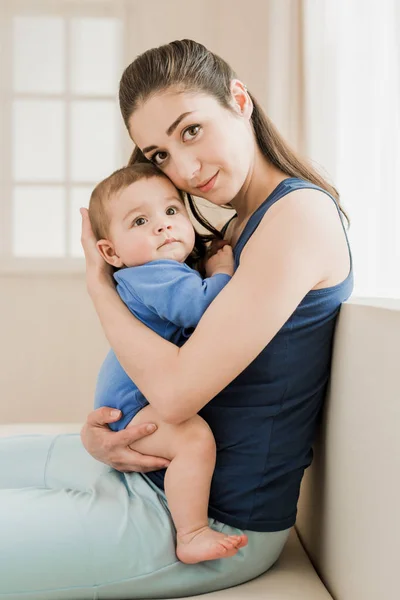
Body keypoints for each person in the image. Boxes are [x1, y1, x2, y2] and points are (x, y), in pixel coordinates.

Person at [0, 39, 353, 599]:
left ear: (239, 100)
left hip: (210, 518)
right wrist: (105, 442)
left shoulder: (297, 217)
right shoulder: (235, 232)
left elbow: (176, 396)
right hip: (156, 472)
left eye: (191, 130)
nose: (183, 170)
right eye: (159, 154)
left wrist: (99, 286)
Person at [89, 162, 248, 563]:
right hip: (133, 409)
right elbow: (198, 308)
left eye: (172, 211)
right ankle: (192, 533)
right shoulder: (154, 273)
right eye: (141, 220)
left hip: (129, 403)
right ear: (111, 252)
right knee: (192, 438)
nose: (163, 226)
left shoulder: (156, 272)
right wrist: (223, 271)